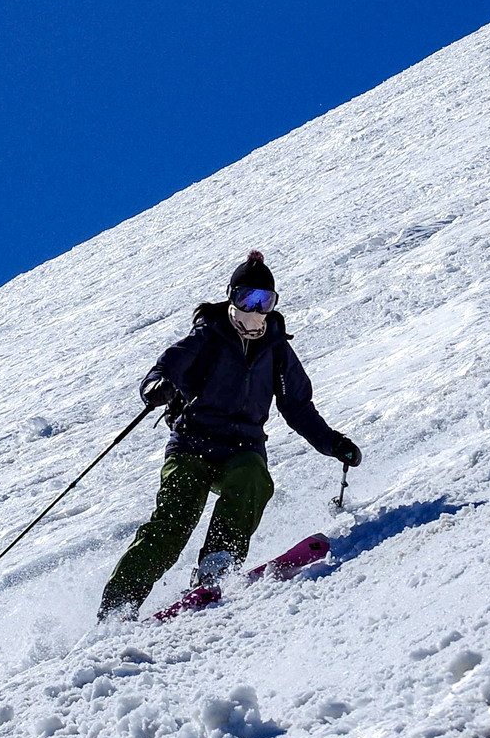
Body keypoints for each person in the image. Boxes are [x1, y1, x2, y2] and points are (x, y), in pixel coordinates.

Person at [97, 251, 360, 621]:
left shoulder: (277, 350)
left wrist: (332, 443)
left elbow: (297, 407)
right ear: (231, 297)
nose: (254, 309)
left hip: (243, 448)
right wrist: (157, 387)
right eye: (246, 299)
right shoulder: (209, 335)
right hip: (191, 445)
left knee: (252, 479)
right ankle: (117, 607)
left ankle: (215, 568)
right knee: (173, 522)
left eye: (264, 301)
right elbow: (166, 367)